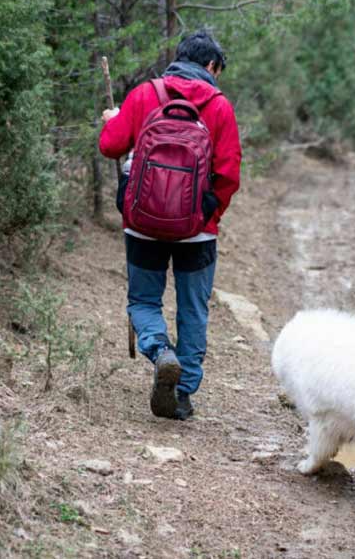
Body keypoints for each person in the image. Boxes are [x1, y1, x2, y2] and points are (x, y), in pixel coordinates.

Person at [99, 30, 242, 420]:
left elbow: (110, 146)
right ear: (211, 66)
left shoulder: (146, 94)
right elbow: (228, 175)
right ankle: (181, 395)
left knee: (144, 301)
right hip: (197, 229)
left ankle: (161, 351)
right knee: (193, 310)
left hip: (142, 222)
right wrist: (208, 216)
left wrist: (113, 121)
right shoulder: (219, 106)